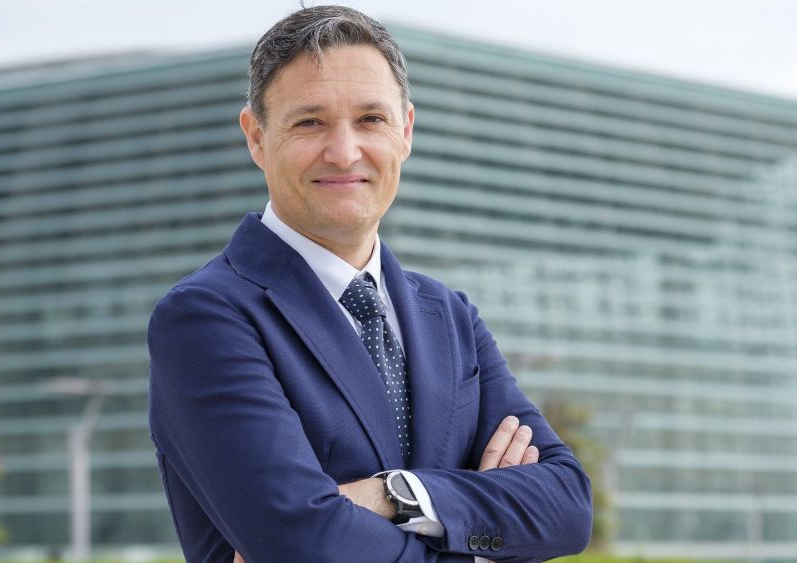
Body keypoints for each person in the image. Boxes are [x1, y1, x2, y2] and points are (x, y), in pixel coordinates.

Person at [147, 5, 592, 562]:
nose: (344, 152)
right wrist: (482, 533)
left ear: (405, 131)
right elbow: (303, 544)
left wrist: (394, 494)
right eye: (310, 122)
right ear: (257, 138)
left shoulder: (449, 315)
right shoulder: (205, 318)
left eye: (370, 119)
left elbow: (567, 508)